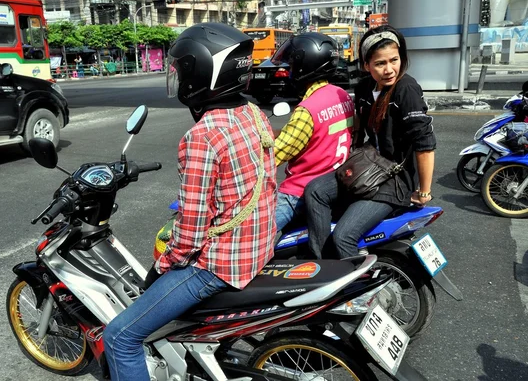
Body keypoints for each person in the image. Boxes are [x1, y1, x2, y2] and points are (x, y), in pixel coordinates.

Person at [103, 23, 277, 381]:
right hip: (260, 247)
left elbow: (190, 238)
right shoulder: (254, 114)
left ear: (199, 73)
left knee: (120, 336)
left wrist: (161, 268)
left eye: (181, 70)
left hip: (219, 266)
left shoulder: (203, 136)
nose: (179, 78)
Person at [304, 25, 436, 259]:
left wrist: (423, 192)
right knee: (315, 190)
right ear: (366, 65)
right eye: (380, 63)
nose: (389, 69)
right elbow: (358, 127)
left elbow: (424, 145)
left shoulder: (406, 89)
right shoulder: (365, 87)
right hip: (366, 169)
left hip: (394, 181)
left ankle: (355, 293)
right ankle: (323, 265)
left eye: (394, 60)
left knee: (344, 236)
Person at [272, 32, 355, 242]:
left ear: (304, 67)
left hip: (297, 192)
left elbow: (273, 155)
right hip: (333, 182)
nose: (289, 72)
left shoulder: (307, 109)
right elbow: (319, 135)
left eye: (291, 66)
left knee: (248, 239)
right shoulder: (342, 96)